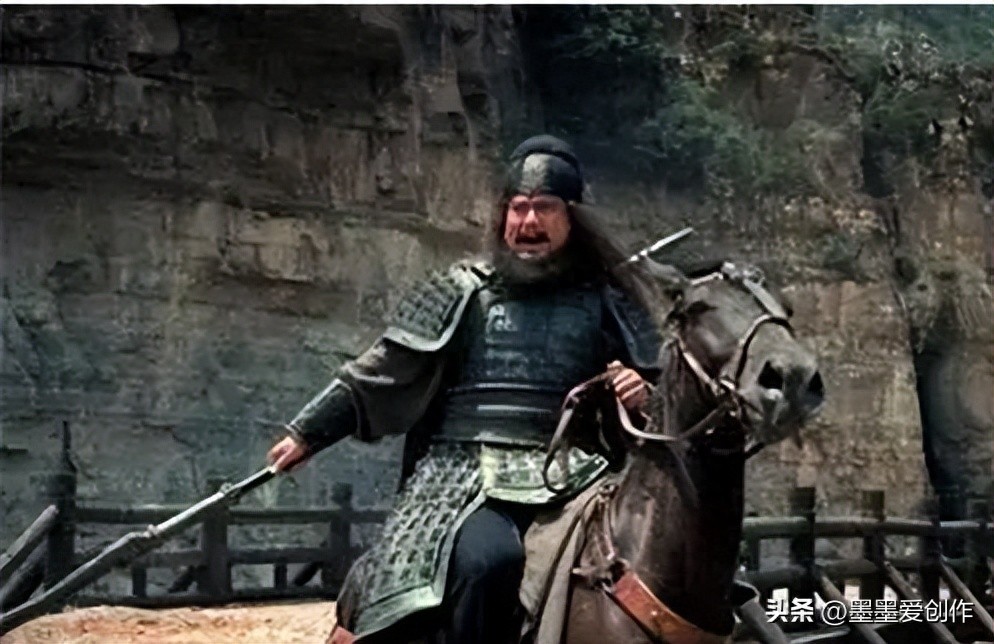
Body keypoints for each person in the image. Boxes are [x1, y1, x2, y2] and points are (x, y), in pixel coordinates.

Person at [267, 135, 663, 643]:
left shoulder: (610, 301)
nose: (529, 222)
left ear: (573, 217)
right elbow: (381, 370)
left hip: (576, 472)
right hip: (464, 474)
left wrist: (642, 395)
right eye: (518, 207)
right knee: (489, 562)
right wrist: (309, 432)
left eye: (544, 207)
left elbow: (667, 397)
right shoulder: (462, 289)